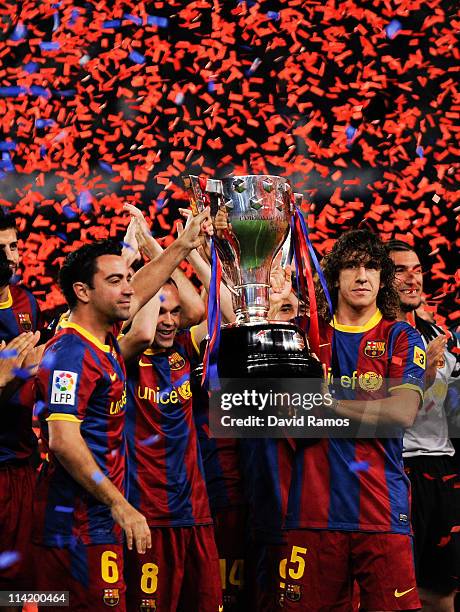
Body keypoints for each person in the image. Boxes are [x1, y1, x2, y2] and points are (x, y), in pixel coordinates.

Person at [32, 208, 212, 611]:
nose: (129, 288)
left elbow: (143, 287)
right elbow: (63, 441)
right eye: (115, 281)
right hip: (73, 529)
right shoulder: (70, 353)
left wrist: (182, 245)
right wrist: (120, 504)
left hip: (97, 524)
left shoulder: (102, 339)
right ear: (83, 292)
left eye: (128, 279)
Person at [281, 229, 426, 611]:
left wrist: (327, 405)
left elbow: (400, 414)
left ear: (382, 279)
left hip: (381, 512)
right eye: (351, 266)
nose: (362, 275)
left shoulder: (402, 337)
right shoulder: (306, 339)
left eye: (372, 267)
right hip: (311, 514)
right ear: (334, 277)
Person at [120, 279, 222, 611]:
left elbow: (213, 312)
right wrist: (156, 263)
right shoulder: (124, 356)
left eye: (174, 312)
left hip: (194, 511)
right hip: (148, 514)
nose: (168, 321)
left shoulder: (185, 349)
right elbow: (144, 332)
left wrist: (172, 251)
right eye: (160, 311)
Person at [387, 239, 460, 612]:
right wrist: (426, 375)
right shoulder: (372, 338)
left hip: (442, 472)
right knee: (398, 592)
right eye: (400, 270)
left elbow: (456, 413)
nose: (412, 279)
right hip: (395, 470)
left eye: (417, 269)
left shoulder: (443, 340)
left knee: (441, 592)